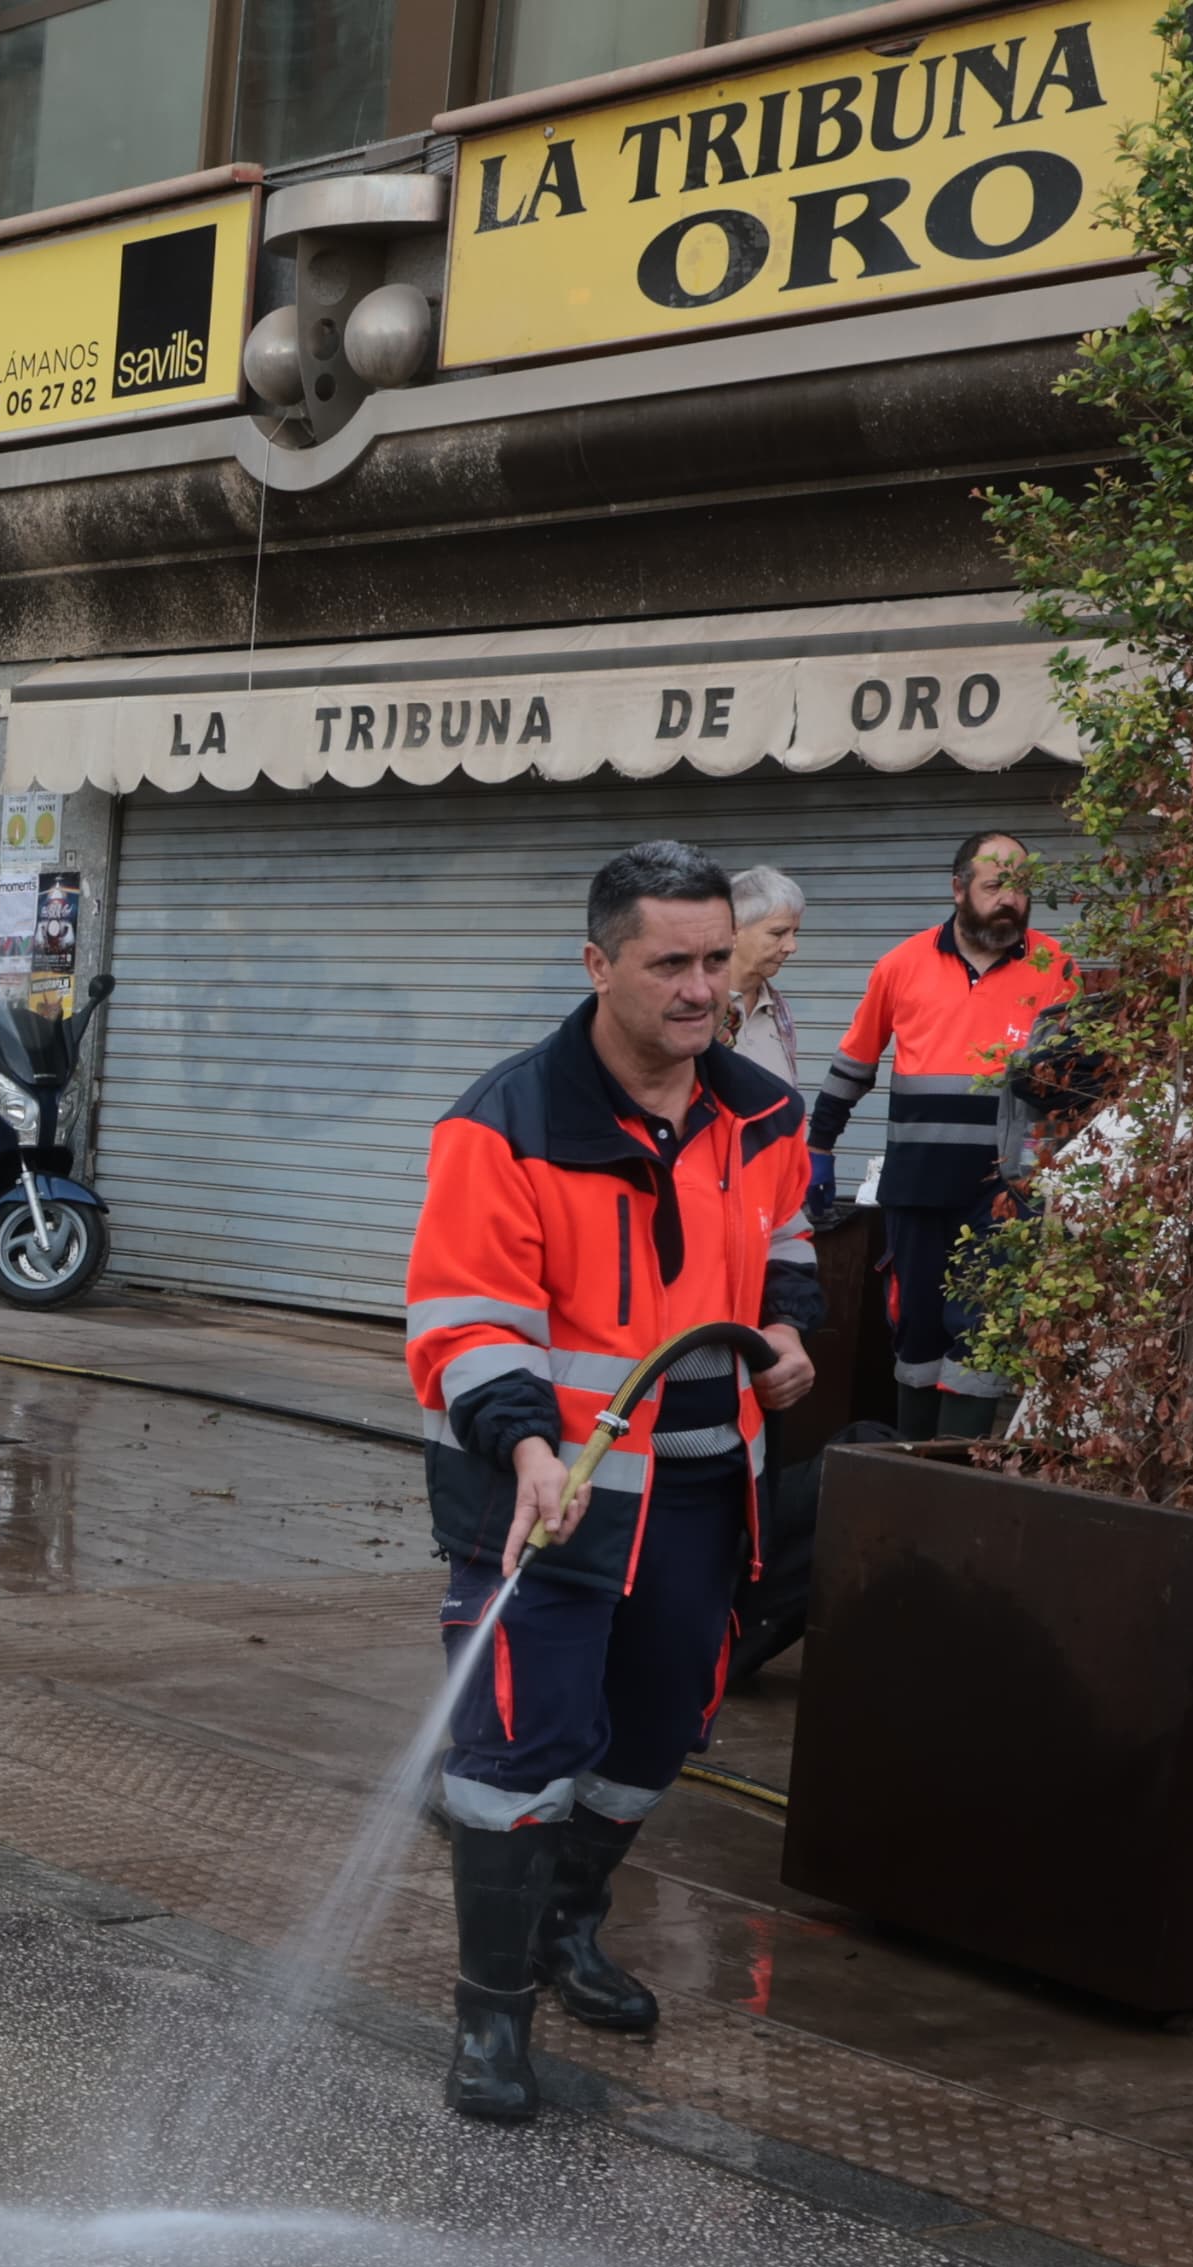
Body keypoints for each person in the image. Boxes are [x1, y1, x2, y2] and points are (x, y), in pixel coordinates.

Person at [405, 839, 821, 2126]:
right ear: (598, 965)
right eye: (669, 964)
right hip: (548, 1496)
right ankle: (489, 2016)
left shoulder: (759, 1114)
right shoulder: (505, 1125)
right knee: (515, 1750)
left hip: (702, 1494)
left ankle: (564, 1928)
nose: (702, 990)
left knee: (648, 1737)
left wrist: (793, 1329)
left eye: (714, 960)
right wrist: (529, 1445)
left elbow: (788, 1237)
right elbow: (465, 1321)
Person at [813, 831, 1074, 1442]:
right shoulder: (900, 965)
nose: (1010, 899)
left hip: (1007, 1189)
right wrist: (818, 1146)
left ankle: (956, 1475)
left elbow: (1073, 1080)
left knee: (983, 1333)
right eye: (994, 886)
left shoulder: (1054, 966)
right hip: (919, 1183)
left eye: (1021, 887)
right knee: (918, 1329)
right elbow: (854, 1062)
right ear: (958, 890)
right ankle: (912, 1468)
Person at [723, 867, 808, 1103]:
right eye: (778, 933)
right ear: (733, 932)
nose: (792, 946)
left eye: (794, 932)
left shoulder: (778, 1011)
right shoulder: (696, 1008)